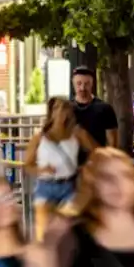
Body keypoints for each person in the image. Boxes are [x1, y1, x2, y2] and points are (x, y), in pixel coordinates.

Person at [25, 96, 96, 239]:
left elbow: (97, 152)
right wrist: (42, 170)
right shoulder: (39, 137)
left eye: (65, 108)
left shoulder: (77, 133)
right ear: (51, 112)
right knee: (43, 234)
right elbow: (27, 165)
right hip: (46, 186)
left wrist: (86, 168)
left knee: (67, 232)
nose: (61, 112)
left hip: (69, 186)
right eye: (56, 108)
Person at [71, 67, 118, 151]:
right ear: (73, 84)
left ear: (92, 84)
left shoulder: (105, 108)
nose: (82, 88)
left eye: (87, 84)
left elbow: (113, 142)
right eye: (79, 83)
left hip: (97, 159)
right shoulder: (67, 109)